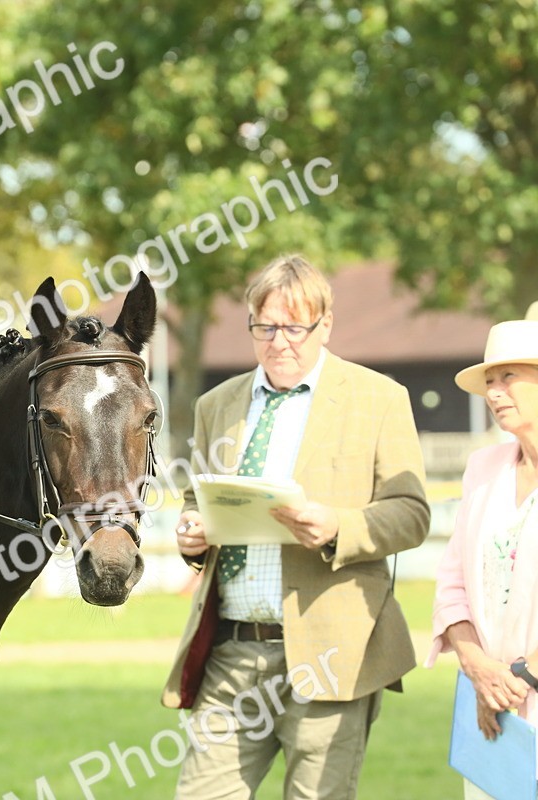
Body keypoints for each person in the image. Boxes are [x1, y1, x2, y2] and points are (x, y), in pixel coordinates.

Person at [162, 254, 431, 799]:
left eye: (294, 327)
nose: (278, 341)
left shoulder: (379, 399)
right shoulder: (217, 404)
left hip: (331, 652)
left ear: (325, 325)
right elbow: (199, 498)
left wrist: (339, 526)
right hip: (231, 654)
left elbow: (412, 512)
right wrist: (192, 534)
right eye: (264, 327)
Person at [428, 303, 538, 799]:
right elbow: (452, 584)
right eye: (489, 381)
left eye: (507, 377)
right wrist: (477, 670)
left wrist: (517, 680)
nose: (493, 393)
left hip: (510, 694)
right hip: (491, 712)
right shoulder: (483, 467)